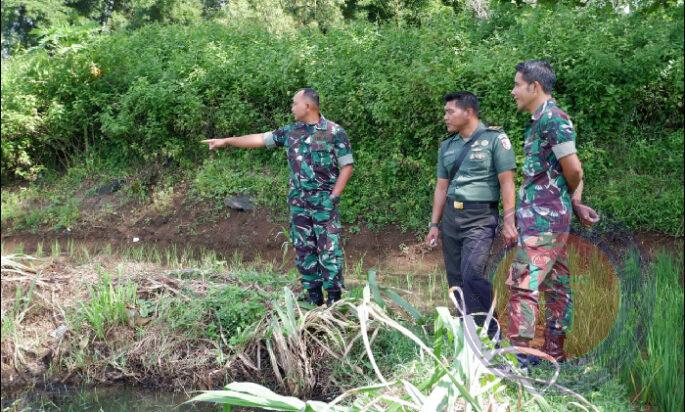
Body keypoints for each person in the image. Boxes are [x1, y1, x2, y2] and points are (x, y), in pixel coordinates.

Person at [202, 88, 354, 306]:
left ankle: (335, 301)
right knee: (304, 252)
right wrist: (226, 141)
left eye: (294, 103)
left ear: (307, 106)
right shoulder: (291, 132)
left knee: (329, 252)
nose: (292, 108)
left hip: (324, 206)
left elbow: (346, 166)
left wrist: (333, 197)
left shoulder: (333, 132)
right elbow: (259, 139)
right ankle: (313, 299)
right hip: (299, 205)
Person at [508, 60, 599, 365]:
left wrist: (569, 200)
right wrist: (572, 202)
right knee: (557, 286)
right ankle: (553, 353)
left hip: (543, 220)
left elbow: (574, 169)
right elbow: (565, 171)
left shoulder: (554, 120)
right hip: (547, 217)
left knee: (524, 283)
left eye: (518, 84)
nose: (513, 91)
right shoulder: (538, 121)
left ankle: (519, 357)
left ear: (534, 86)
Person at [425, 91, 517, 337]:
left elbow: (507, 182)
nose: (445, 116)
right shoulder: (447, 146)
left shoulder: (495, 140)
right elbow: (441, 187)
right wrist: (434, 223)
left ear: (468, 112)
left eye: (450, 111)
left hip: (480, 217)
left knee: (472, 275)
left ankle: (491, 335)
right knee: (455, 280)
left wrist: (509, 219)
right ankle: (467, 335)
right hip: (451, 219)